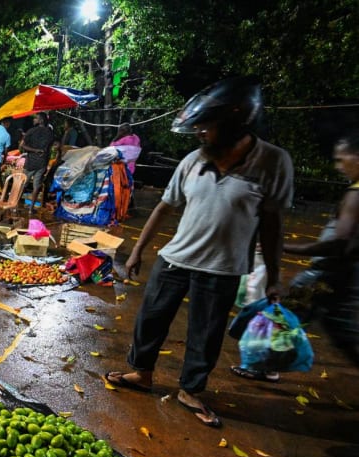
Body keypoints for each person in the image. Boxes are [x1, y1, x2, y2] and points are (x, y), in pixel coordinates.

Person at [105, 76, 293, 428]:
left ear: (236, 124)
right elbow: (165, 207)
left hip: (222, 267)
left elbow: (271, 224)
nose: (200, 134)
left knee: (205, 334)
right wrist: (136, 251)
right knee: (150, 319)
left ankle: (190, 390)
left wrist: (274, 275)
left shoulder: (273, 163)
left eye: (207, 128)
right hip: (175, 258)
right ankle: (142, 374)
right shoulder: (193, 160)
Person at [283, 130, 359, 366]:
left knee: (287, 315)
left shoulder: (355, 195)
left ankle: (267, 365)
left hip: (329, 273)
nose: (337, 166)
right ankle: (269, 364)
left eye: (340, 159)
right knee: (342, 330)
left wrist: (285, 247)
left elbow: (338, 243)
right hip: (347, 273)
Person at [20, 112, 55, 213]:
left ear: (41, 120)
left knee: (23, 184)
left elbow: (23, 145)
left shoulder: (31, 131)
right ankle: (31, 209)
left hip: (30, 163)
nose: (33, 119)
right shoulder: (50, 133)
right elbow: (51, 148)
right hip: (42, 163)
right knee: (36, 186)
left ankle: (16, 203)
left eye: (36, 118)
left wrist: (34, 150)